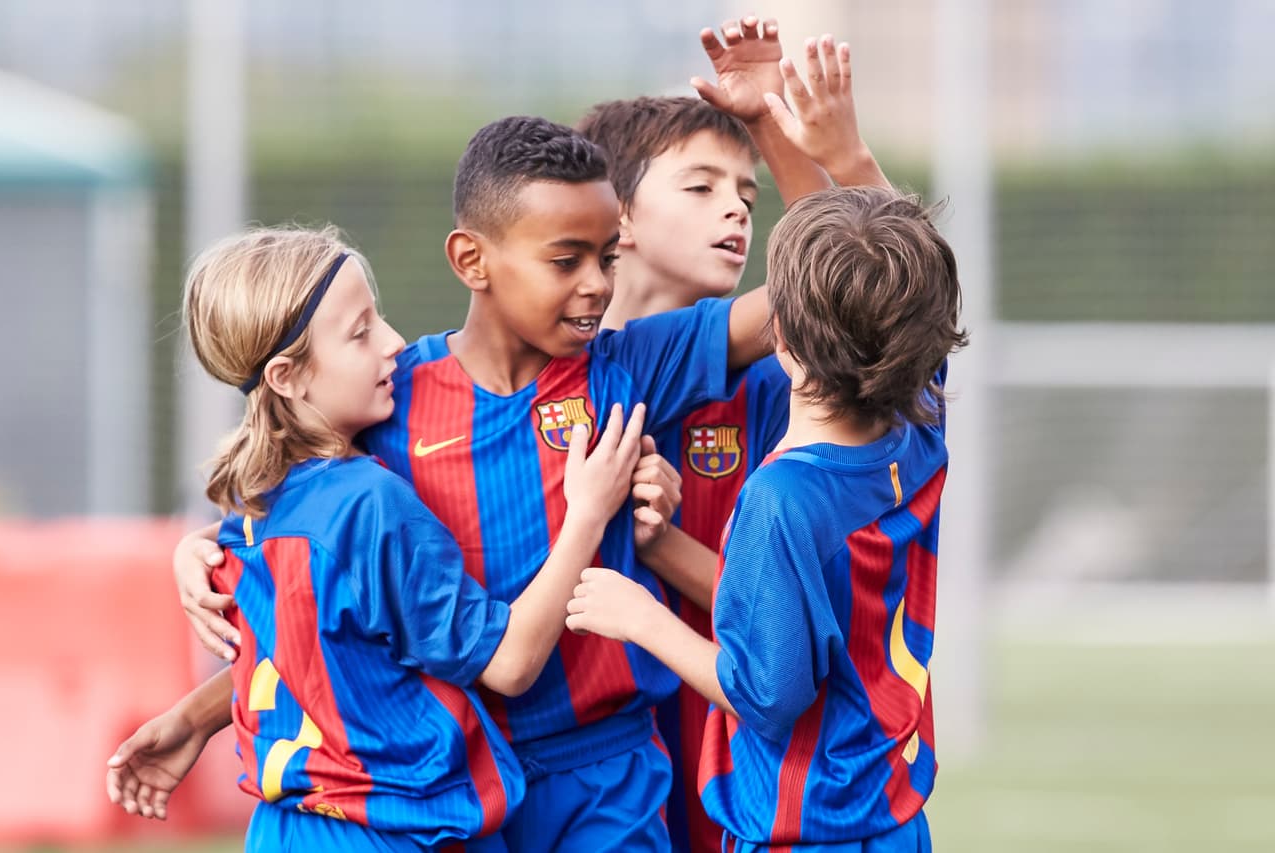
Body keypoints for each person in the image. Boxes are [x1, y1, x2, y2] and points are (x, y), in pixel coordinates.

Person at [119, 18, 835, 851]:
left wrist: (772, 126)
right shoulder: (395, 400)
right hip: (464, 779)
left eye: (608, 257)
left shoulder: (630, 366)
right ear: (472, 260)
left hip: (610, 780)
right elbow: (328, 602)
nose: (598, 285)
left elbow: (824, 290)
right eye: (567, 260)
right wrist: (200, 697)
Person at [134, 224, 649, 851]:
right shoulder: (368, 503)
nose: (394, 344)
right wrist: (588, 515)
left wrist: (193, 713)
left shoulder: (256, 515)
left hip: (283, 832)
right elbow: (508, 665)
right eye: (360, 333)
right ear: (286, 377)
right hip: (394, 830)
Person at [563, 184, 968, 852]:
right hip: (893, 818)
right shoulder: (918, 430)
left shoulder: (780, 497)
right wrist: (661, 543)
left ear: (778, 333)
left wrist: (640, 616)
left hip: (805, 826)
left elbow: (768, 693)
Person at [575, 27, 888, 853]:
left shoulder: (785, 389)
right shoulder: (540, 378)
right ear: (617, 220)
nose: (737, 211)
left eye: (748, 195)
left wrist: (777, 128)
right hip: (587, 761)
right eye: (703, 186)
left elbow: (853, 277)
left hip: (738, 735)